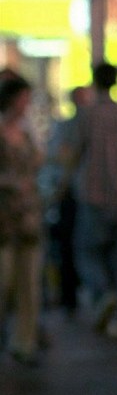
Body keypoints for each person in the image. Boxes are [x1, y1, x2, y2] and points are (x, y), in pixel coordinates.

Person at [64, 62, 117, 337]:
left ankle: (101, 295)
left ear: (95, 81)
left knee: (87, 252)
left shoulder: (86, 116)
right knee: (116, 258)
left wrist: (63, 184)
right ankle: (112, 311)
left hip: (93, 195)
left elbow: (73, 153)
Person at [0, 72, 45, 366]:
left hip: (28, 215)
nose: (26, 104)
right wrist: (14, 183)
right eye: (23, 98)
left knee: (30, 282)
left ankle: (24, 341)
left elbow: (38, 161)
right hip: (5, 215)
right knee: (5, 280)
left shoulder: (28, 130)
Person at [39, 85, 94, 316]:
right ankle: (73, 296)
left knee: (75, 246)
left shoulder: (71, 125)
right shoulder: (72, 125)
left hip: (79, 193)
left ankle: (72, 297)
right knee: (74, 246)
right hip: (77, 193)